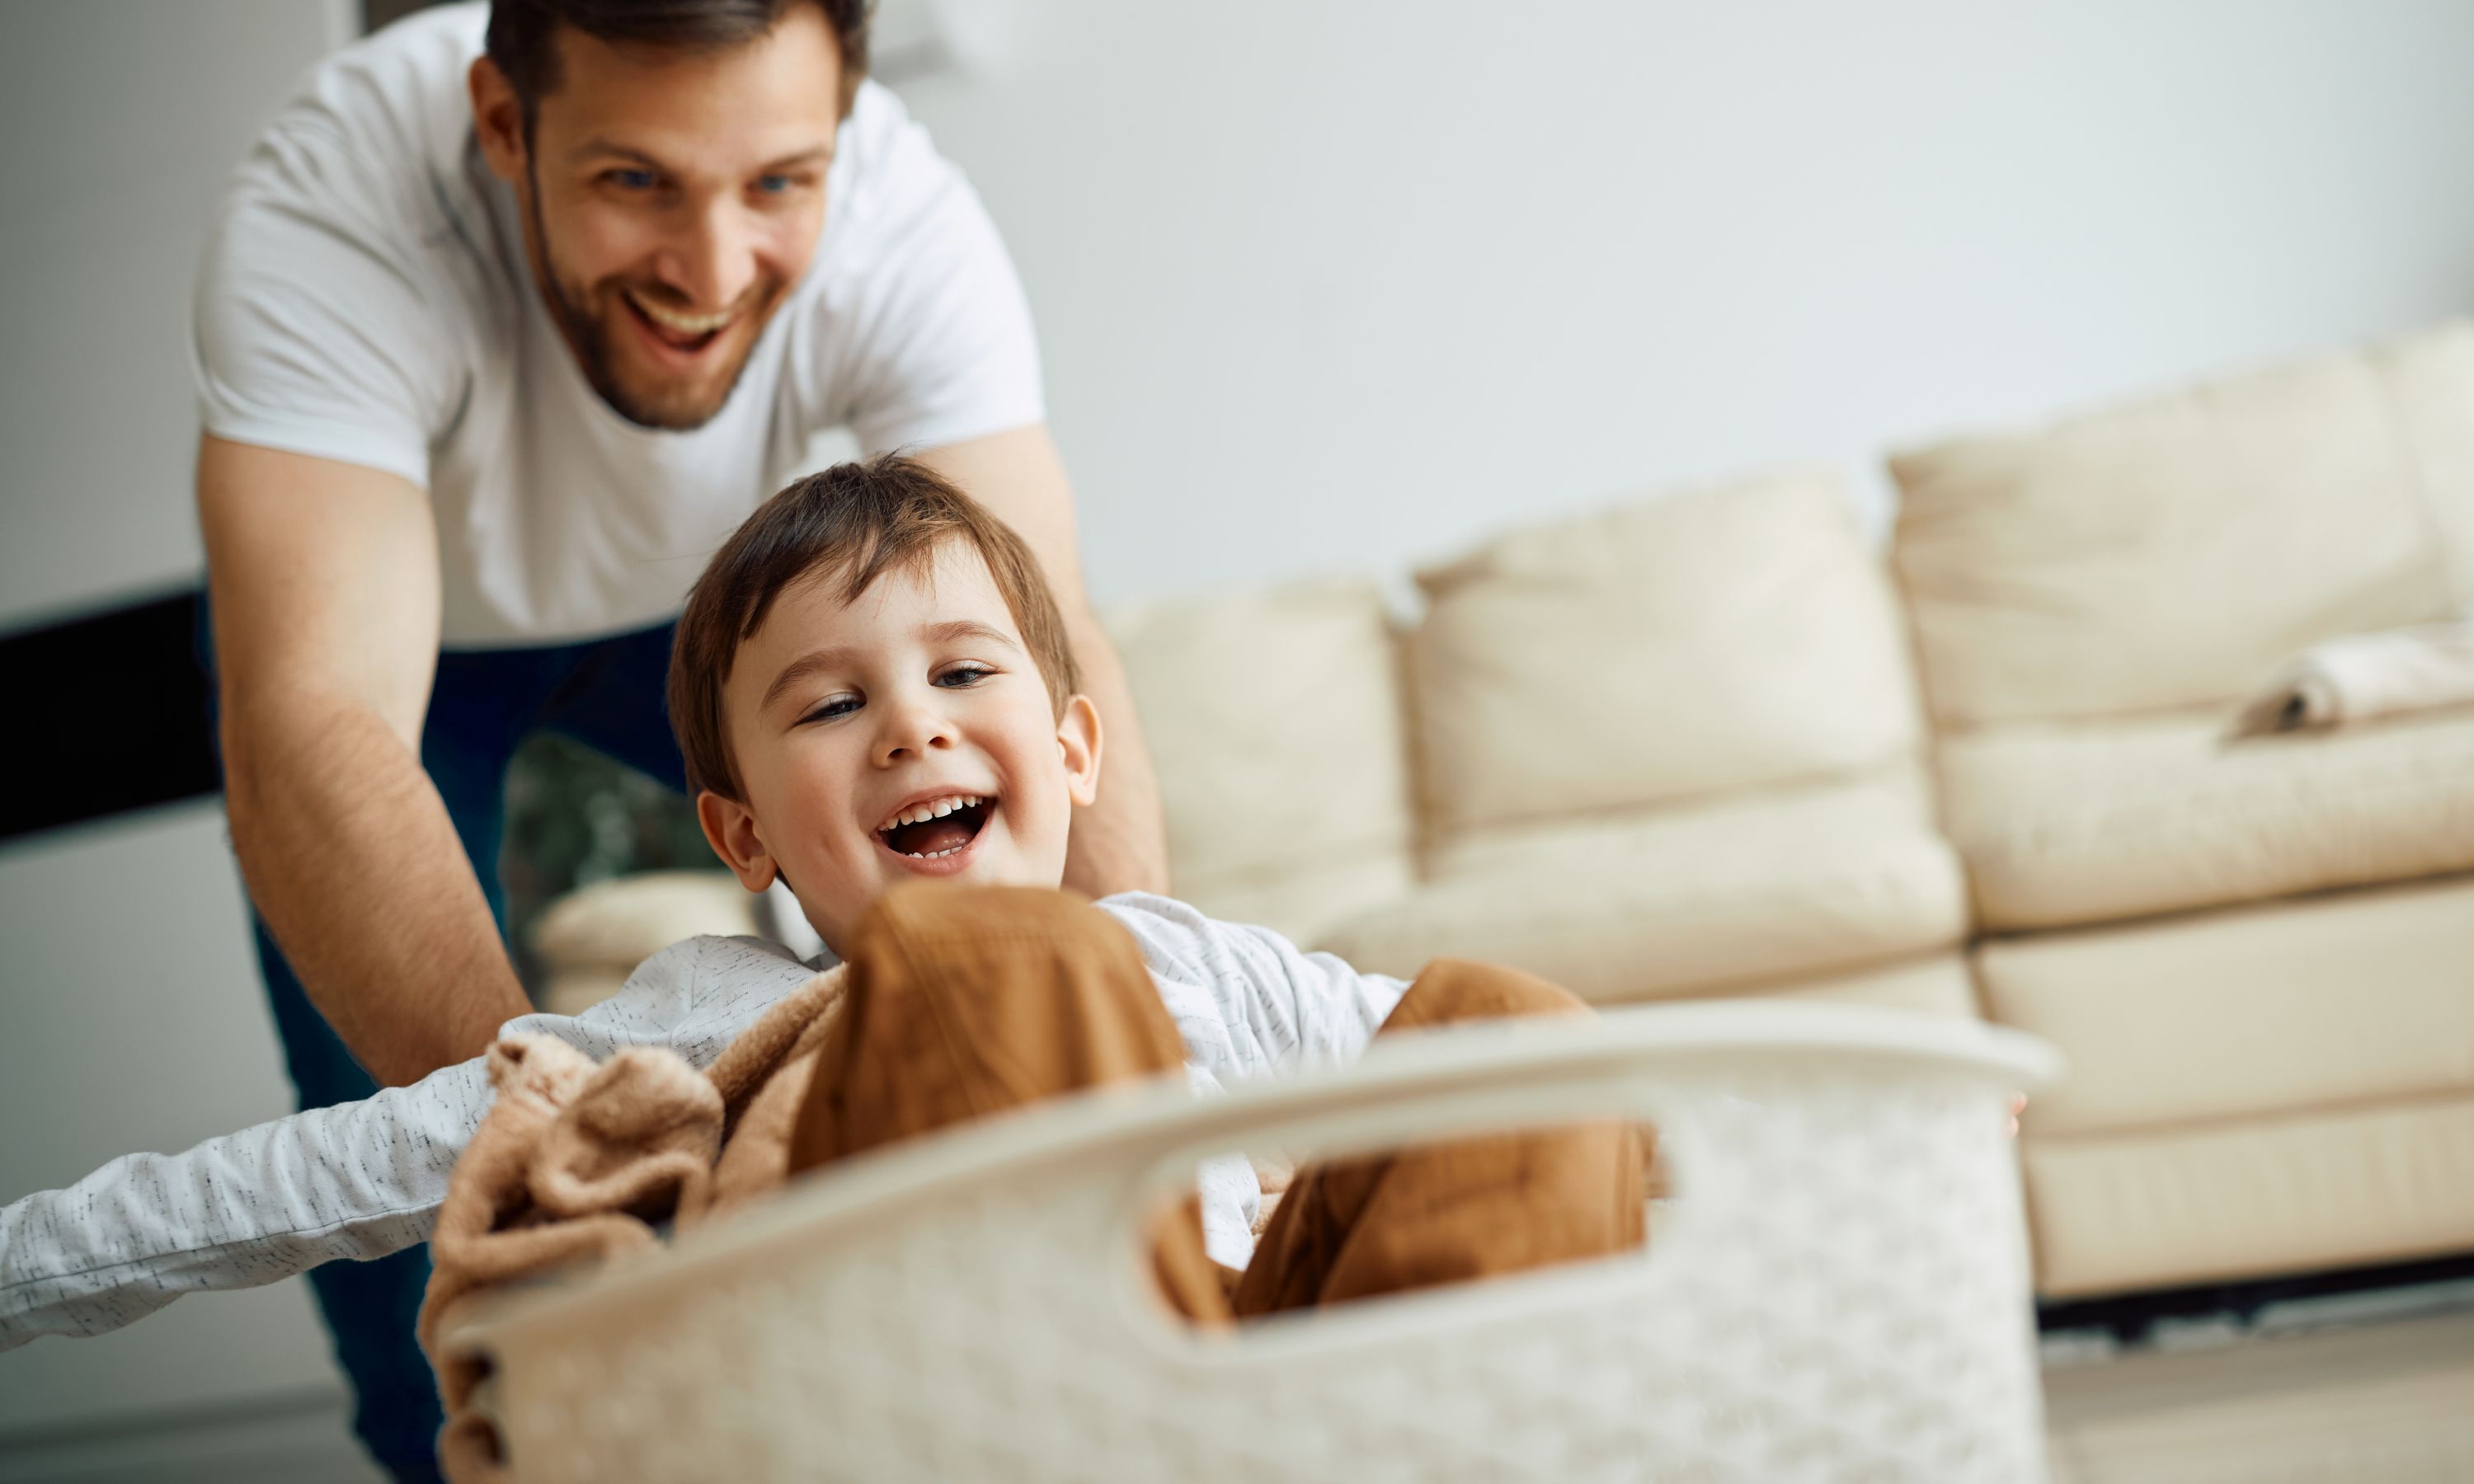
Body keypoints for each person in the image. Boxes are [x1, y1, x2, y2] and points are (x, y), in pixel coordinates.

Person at [3, 460, 1644, 1474]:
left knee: (1507, 1025)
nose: (913, 721)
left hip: (1302, 1411)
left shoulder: (1205, 963)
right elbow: (323, 1171)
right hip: (948, 1418)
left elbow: (1538, 1111)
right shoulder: (701, 1011)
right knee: (983, 968)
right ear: (745, 836)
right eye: (830, 703)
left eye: (958, 669)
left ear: (1075, 749)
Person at [192, 0, 1166, 1468]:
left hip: (706, 615)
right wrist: (557, 1144)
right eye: (637, 179)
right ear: (508, 126)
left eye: (779, 185)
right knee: (417, 1187)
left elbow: (1047, 648)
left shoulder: (906, 218)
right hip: (403, 651)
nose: (715, 277)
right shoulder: (335, 201)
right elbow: (313, 718)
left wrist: (1155, 1037)